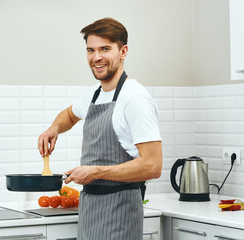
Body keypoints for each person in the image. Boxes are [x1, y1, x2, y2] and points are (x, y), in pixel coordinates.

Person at [38, 17, 162, 240]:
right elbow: (69, 115)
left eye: (105, 49)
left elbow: (152, 166)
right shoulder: (95, 94)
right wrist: (53, 128)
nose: (96, 57)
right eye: (90, 50)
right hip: (91, 212)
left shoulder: (135, 99)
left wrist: (96, 171)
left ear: (123, 51)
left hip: (120, 213)